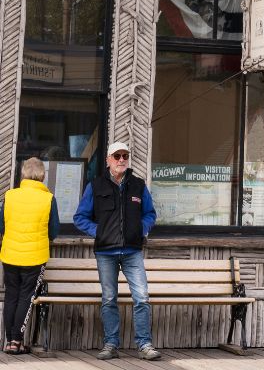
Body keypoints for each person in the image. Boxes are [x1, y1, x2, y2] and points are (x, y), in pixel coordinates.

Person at [74, 140, 160, 361]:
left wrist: (141, 228)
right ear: (108, 160)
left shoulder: (138, 185)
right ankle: (111, 344)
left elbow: (150, 214)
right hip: (106, 252)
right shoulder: (95, 185)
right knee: (109, 298)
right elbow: (80, 217)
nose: (122, 160)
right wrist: (99, 231)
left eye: (125, 156)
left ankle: (144, 345)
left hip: (132, 251)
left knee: (141, 297)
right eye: (117, 156)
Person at [0, 157, 60, 354]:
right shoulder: (49, 199)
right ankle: (17, 341)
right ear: (42, 175)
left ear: (23, 174)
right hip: (35, 257)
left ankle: (9, 341)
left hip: (10, 255)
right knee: (26, 297)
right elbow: (54, 231)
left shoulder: (9, 196)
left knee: (11, 296)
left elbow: (1, 226)